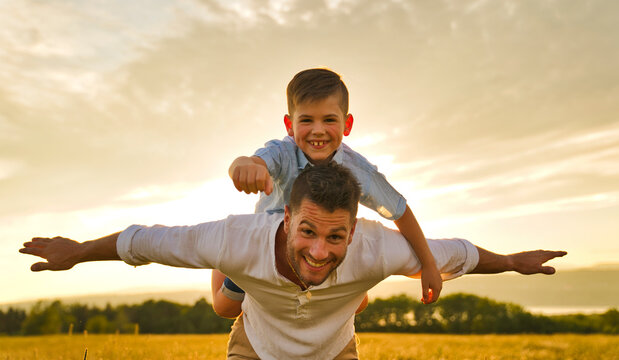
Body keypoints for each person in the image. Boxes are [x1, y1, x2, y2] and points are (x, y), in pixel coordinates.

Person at [20, 163, 567, 360]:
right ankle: (233, 283)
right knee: (223, 304)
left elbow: (461, 254)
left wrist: (514, 261)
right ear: (285, 220)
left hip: (334, 349)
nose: (319, 251)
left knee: (344, 284)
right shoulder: (240, 237)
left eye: (337, 238)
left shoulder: (379, 245)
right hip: (256, 344)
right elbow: (146, 241)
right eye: (307, 231)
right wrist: (76, 253)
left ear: (355, 230)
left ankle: (353, 295)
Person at [212, 68, 442, 319]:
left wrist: (429, 264)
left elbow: (399, 210)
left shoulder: (357, 169)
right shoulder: (282, 152)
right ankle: (220, 262)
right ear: (290, 125)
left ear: (347, 124)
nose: (318, 130)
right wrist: (244, 166)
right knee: (226, 308)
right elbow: (251, 161)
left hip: (317, 254)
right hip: (268, 249)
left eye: (329, 120)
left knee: (358, 303)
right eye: (307, 120)